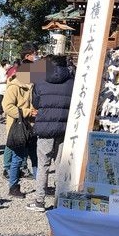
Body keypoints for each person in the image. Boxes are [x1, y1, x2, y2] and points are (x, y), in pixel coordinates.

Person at [26, 54, 75, 212]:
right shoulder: (72, 82)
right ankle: (59, 201)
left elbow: (36, 103)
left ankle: (39, 200)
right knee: (61, 165)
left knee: (43, 165)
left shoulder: (40, 81)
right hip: (64, 128)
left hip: (45, 128)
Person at [1, 44, 37, 179]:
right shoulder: (14, 85)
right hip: (16, 121)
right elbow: (8, 106)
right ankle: (7, 169)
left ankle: (21, 168)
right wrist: (27, 112)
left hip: (28, 122)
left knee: (24, 145)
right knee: (12, 144)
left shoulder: (32, 85)